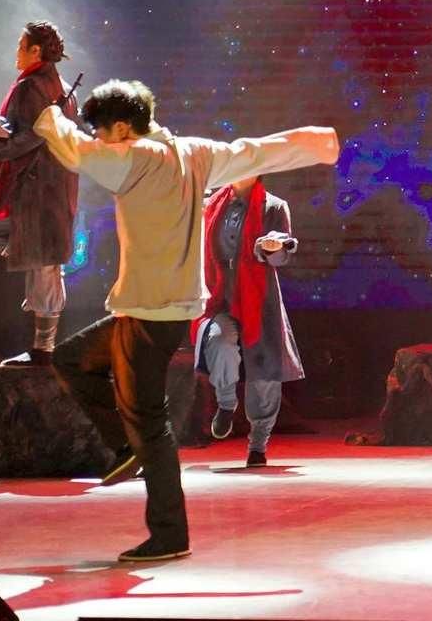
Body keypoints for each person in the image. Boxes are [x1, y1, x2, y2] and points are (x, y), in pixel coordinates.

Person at [33, 79, 339, 563]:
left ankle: (169, 534)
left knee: (150, 424)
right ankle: (125, 447)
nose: (100, 141)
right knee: (72, 359)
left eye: (103, 132)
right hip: (161, 308)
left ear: (121, 128)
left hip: (150, 311)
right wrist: (318, 143)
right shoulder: (194, 152)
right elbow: (255, 151)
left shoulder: (133, 157)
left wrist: (49, 114)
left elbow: (73, 150)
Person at [0, 21, 79, 367]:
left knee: (44, 266)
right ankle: (42, 349)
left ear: (36, 51)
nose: (16, 53)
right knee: (41, 261)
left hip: (38, 193)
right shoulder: (60, 88)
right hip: (51, 190)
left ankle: (43, 351)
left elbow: (31, 139)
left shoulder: (32, 87)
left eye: (21, 46)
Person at [194, 178, 302, 466]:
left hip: (258, 298)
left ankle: (258, 444)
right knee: (218, 341)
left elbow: (281, 258)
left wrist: (270, 247)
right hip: (220, 296)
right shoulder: (213, 204)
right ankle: (226, 403)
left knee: (264, 370)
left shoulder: (274, 206)